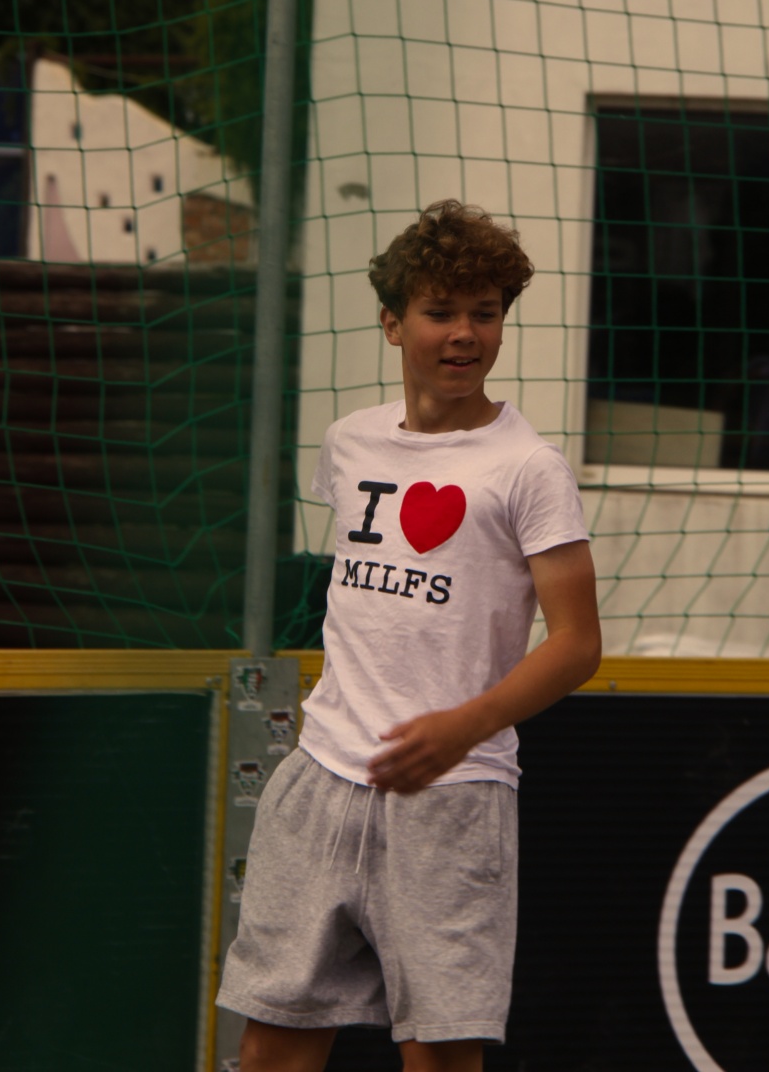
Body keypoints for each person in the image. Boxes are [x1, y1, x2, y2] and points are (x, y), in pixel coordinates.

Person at [217, 200, 601, 1072]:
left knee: (439, 1057)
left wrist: (460, 728)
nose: (464, 334)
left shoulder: (530, 469)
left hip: (452, 798)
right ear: (392, 323)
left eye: (485, 313)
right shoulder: (349, 443)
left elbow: (577, 644)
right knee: (272, 1048)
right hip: (321, 778)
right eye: (440, 311)